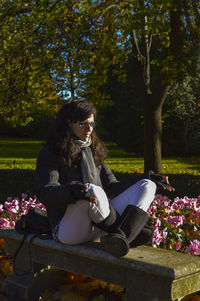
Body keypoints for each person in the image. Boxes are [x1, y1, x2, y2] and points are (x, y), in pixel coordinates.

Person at [36, 97, 174, 257]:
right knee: (91, 189)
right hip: (68, 229)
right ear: (68, 123)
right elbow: (45, 192)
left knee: (147, 185)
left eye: (92, 124)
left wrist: (146, 176)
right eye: (83, 124)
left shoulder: (93, 150)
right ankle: (127, 232)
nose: (89, 129)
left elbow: (112, 187)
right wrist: (72, 191)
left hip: (98, 225)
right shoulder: (50, 153)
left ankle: (121, 238)